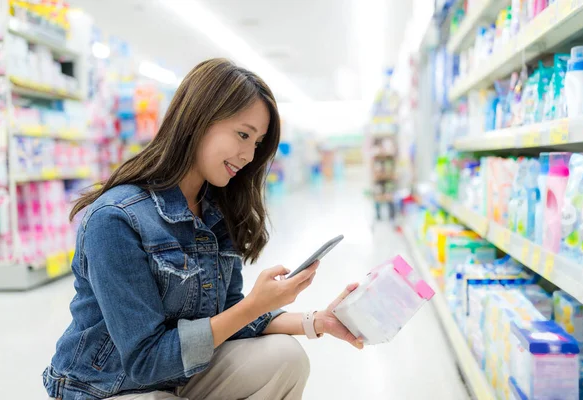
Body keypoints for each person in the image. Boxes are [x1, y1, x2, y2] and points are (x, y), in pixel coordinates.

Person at [43, 58, 363, 400]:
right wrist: (253, 306)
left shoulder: (214, 212)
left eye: (256, 144)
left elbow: (229, 314)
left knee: (287, 358)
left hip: (177, 377)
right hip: (108, 387)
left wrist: (317, 321)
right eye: (242, 134)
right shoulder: (116, 218)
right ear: (198, 120)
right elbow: (145, 361)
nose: (248, 155)